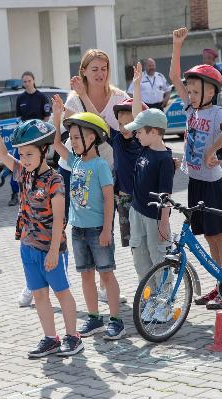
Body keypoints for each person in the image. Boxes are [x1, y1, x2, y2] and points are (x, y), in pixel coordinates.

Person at [0, 99, 83, 358]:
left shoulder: (54, 181)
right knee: (40, 295)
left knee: (62, 293)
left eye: (29, 154)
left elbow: (60, 221)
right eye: (22, 154)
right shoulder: (23, 174)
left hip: (50, 249)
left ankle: (73, 337)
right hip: (28, 248)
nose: (24, 159)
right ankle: (50, 338)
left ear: (43, 152)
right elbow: (0, 153)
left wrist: (54, 251)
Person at [170, 28, 222, 315]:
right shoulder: (191, 110)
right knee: (209, 237)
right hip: (195, 182)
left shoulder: (215, 113)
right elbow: (175, 77)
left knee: (219, 235)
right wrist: (177, 46)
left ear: (211, 91)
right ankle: (221, 281)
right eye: (189, 90)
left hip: (212, 184)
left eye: (196, 89)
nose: (189, 93)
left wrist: (212, 150)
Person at [56, 48, 129, 307]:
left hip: (105, 169)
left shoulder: (120, 97)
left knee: (101, 223)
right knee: (61, 222)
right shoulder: (73, 100)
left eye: (104, 68)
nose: (100, 73)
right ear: (83, 71)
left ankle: (104, 281)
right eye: (94, 69)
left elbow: (107, 132)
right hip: (73, 168)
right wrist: (83, 97)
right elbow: (85, 131)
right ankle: (45, 279)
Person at [52, 96, 126, 340]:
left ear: (91, 137)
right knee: (86, 275)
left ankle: (116, 320)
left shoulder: (101, 166)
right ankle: (94, 318)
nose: (71, 142)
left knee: (106, 274)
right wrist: (56, 116)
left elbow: (108, 200)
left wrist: (107, 230)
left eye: (75, 138)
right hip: (78, 229)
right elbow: (55, 143)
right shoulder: (74, 162)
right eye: (70, 138)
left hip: (97, 230)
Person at [124, 109, 175, 322]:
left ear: (154, 132)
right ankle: (151, 299)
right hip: (137, 212)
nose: (136, 135)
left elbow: (166, 195)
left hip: (155, 218)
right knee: (142, 260)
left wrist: (164, 222)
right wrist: (136, 85)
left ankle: (165, 303)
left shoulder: (164, 159)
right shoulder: (144, 148)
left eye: (140, 132)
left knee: (160, 260)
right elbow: (137, 115)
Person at [112, 62, 146, 248]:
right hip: (124, 199)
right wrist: (84, 94)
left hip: (142, 199)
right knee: (133, 244)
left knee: (146, 240)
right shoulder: (116, 140)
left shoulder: (141, 141)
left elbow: (139, 115)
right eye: (120, 124)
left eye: (128, 123)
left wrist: (137, 84)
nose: (123, 128)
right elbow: (98, 120)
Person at [10, 71, 52, 206]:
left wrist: (39, 134)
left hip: (38, 137)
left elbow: (46, 117)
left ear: (33, 80)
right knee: (17, 164)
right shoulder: (20, 98)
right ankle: (15, 193)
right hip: (23, 138)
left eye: (29, 81)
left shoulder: (42, 97)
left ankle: (41, 190)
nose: (27, 83)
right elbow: (19, 118)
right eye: (24, 81)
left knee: (40, 164)